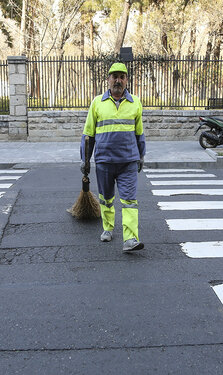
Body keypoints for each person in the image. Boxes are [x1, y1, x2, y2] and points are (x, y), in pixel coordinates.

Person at [80, 62, 146, 252]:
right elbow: (88, 135)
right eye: (114, 76)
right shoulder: (97, 102)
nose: (118, 80)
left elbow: (139, 133)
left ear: (126, 80)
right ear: (108, 79)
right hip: (104, 161)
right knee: (106, 198)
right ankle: (108, 228)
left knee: (129, 201)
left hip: (128, 161)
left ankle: (130, 239)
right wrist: (85, 160)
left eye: (122, 76)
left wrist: (141, 156)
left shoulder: (135, 102)